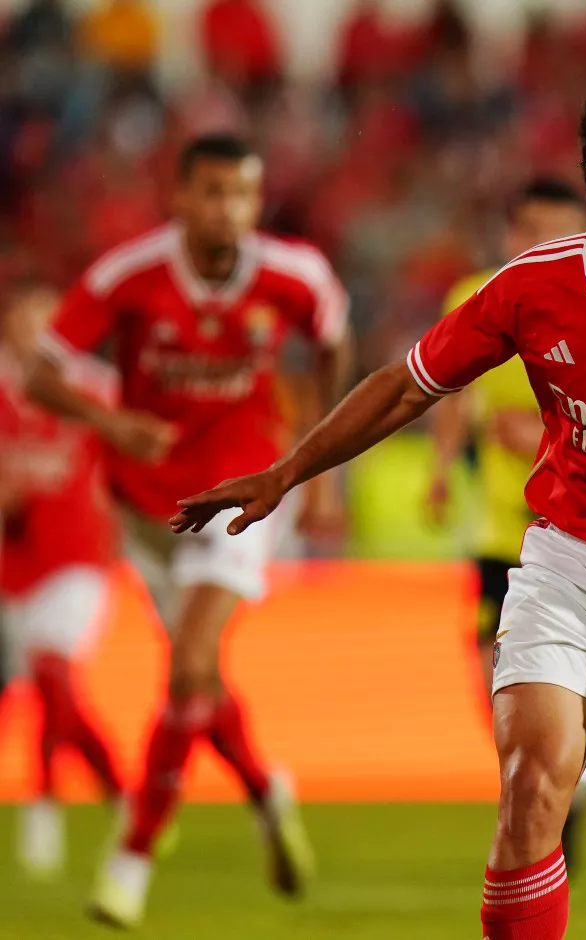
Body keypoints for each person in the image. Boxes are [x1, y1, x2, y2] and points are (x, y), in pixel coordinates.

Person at [171, 73, 586, 940]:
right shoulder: (533, 286)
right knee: (533, 782)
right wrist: (287, 473)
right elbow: (405, 388)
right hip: (574, 565)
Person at [27, 134, 354, 929]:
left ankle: (133, 854)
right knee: (197, 681)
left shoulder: (295, 273)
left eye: (242, 194)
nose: (227, 210)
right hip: (147, 510)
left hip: (238, 495)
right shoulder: (129, 274)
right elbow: (43, 370)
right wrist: (113, 421)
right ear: (179, 199)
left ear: (257, 199)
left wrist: (319, 466)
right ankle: (265, 792)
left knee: (192, 662)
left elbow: (335, 340)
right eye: (211, 193)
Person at [427, 178, 586, 891]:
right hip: (499, 528)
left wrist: (546, 440)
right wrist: (437, 467)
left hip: (585, 526)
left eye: (557, 229)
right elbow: (452, 385)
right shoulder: (476, 295)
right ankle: (558, 800)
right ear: (510, 234)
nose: (541, 244)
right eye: (530, 230)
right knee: (499, 677)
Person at [0, 283, 125, 879]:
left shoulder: (97, 391)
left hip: (78, 560)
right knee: (56, 696)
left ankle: (43, 804)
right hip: (12, 570)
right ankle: (122, 793)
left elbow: (131, 465)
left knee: (52, 672)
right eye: (27, 324)